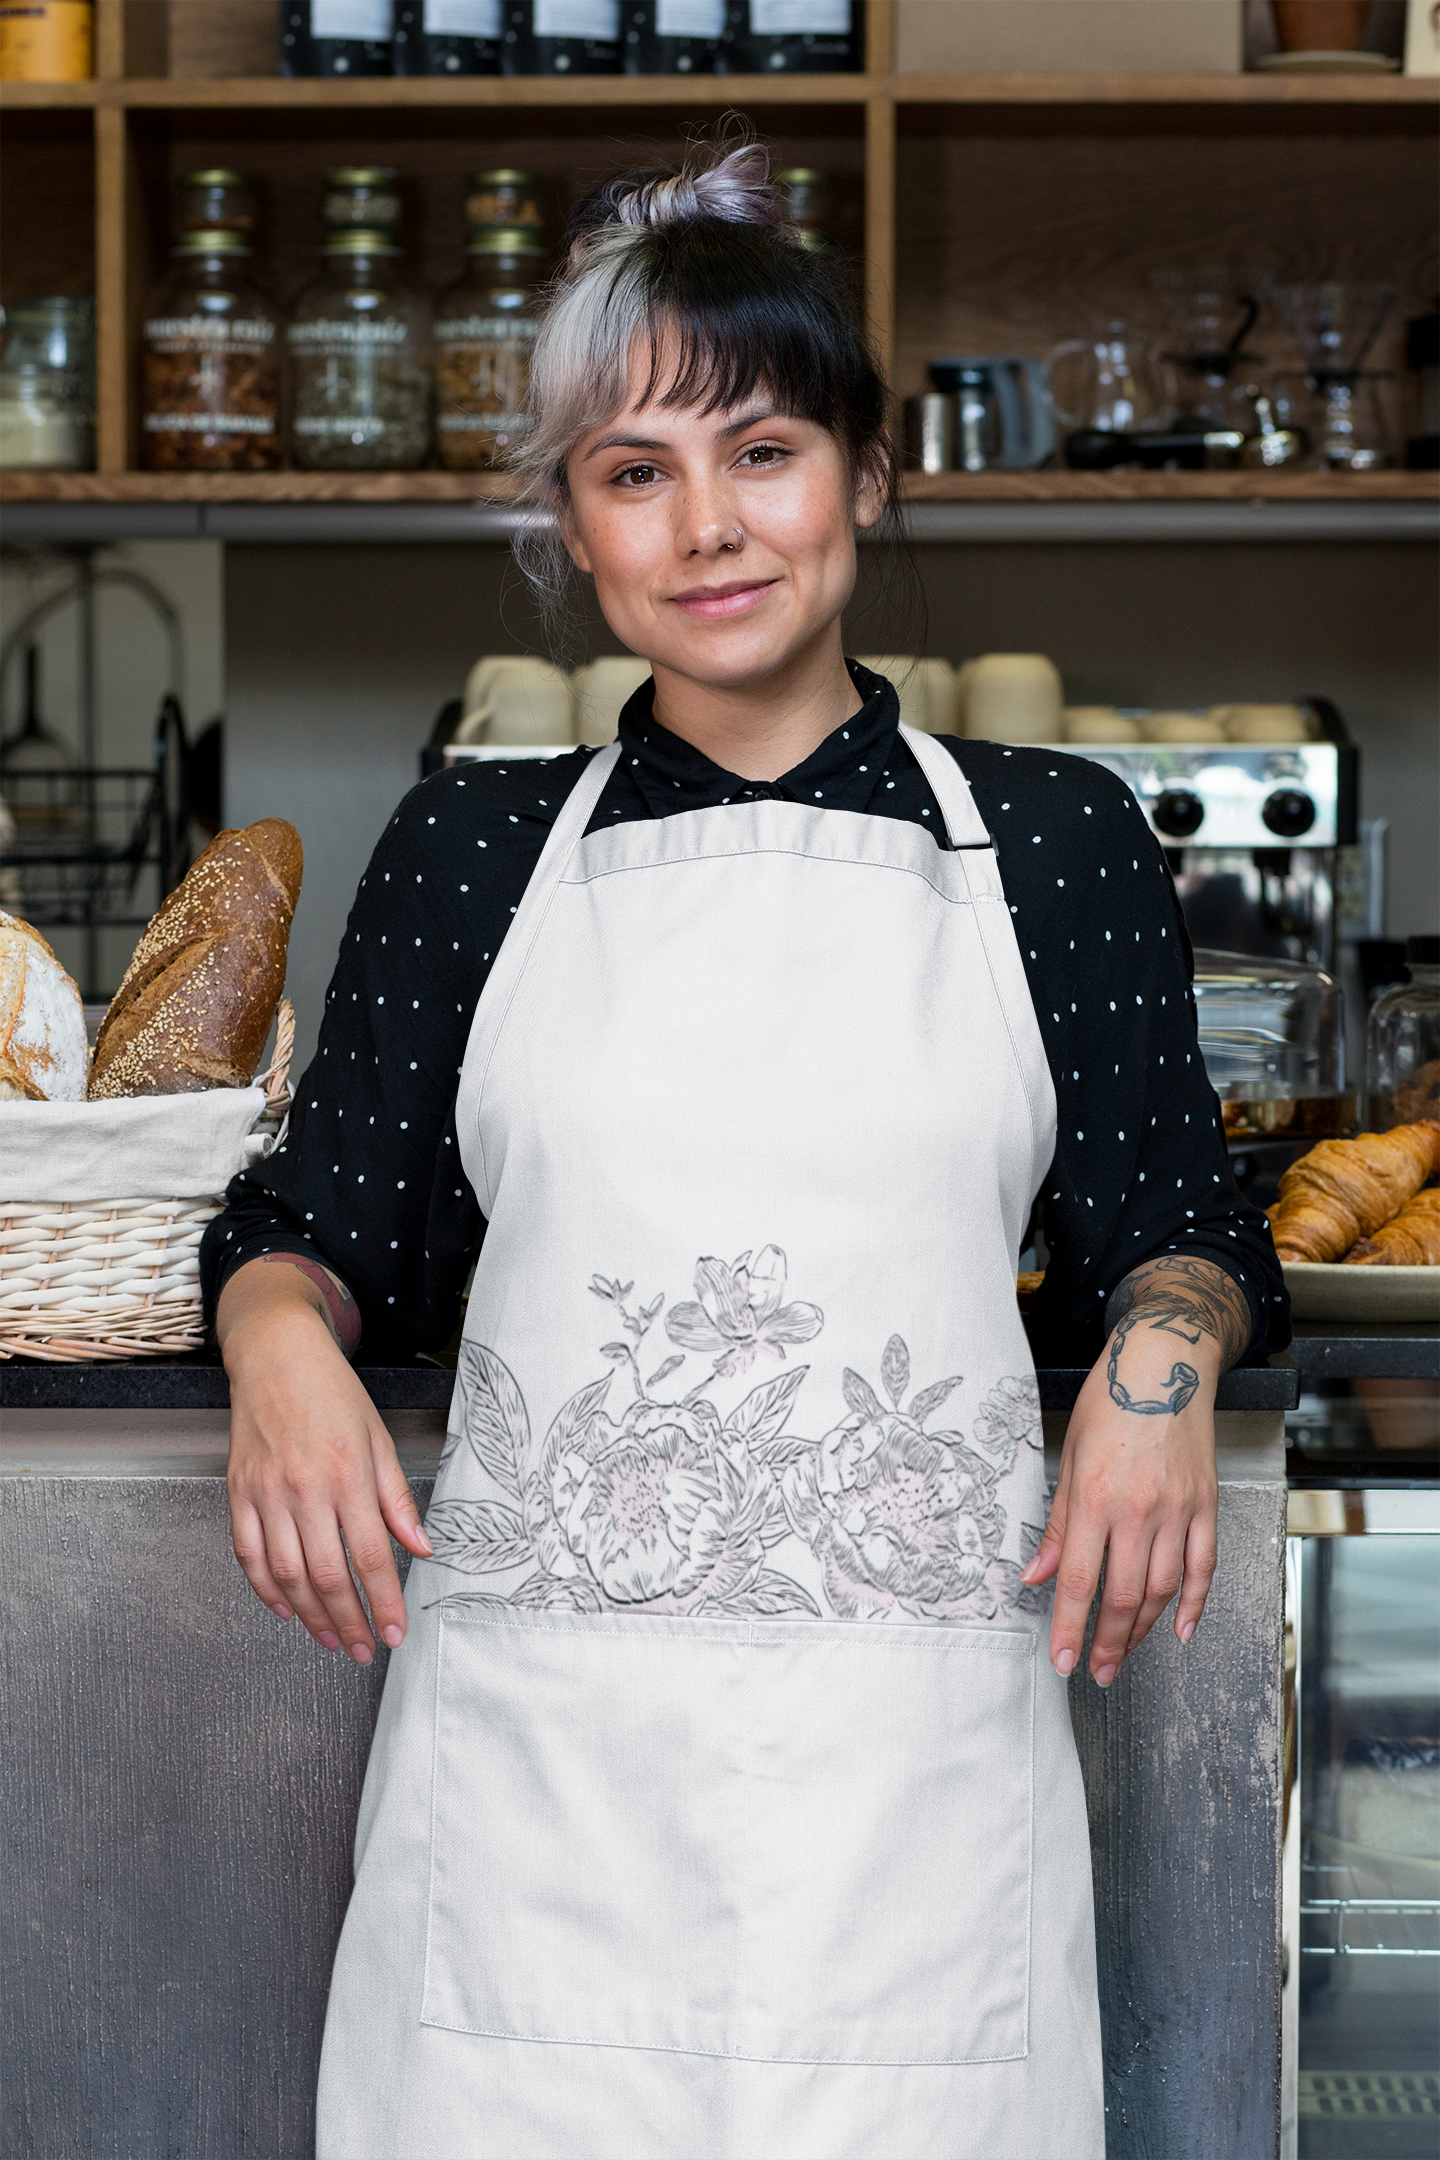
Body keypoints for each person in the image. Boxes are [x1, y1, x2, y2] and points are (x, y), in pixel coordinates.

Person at [203, 136, 1287, 2160]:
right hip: (541, 1809)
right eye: (636, 471)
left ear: (868, 474)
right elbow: (313, 1226)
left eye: (764, 452)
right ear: (573, 526)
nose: (710, 527)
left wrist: (1160, 1373)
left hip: (913, 1800)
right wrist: (276, 1346)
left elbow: (1189, 1223)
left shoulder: (1054, 843)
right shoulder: (471, 847)